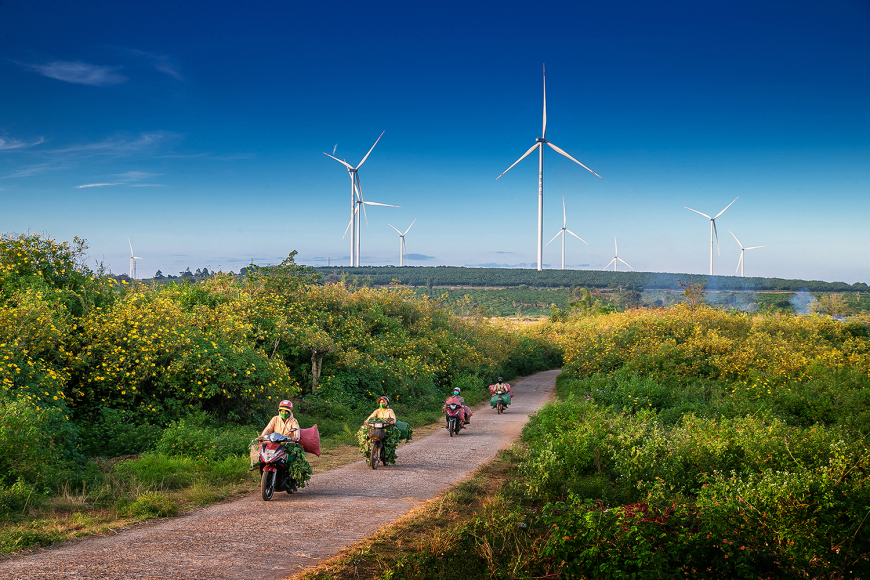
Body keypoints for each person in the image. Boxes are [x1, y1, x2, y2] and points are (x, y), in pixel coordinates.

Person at [364, 395, 398, 465]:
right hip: (377, 427)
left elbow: (393, 418)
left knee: (388, 440)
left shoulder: (390, 411)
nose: (382, 404)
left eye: (383, 402)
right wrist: (367, 421)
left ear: (386, 403)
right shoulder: (377, 411)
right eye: (381, 402)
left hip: (386, 427)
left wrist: (392, 422)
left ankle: (386, 455)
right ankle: (372, 454)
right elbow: (371, 416)